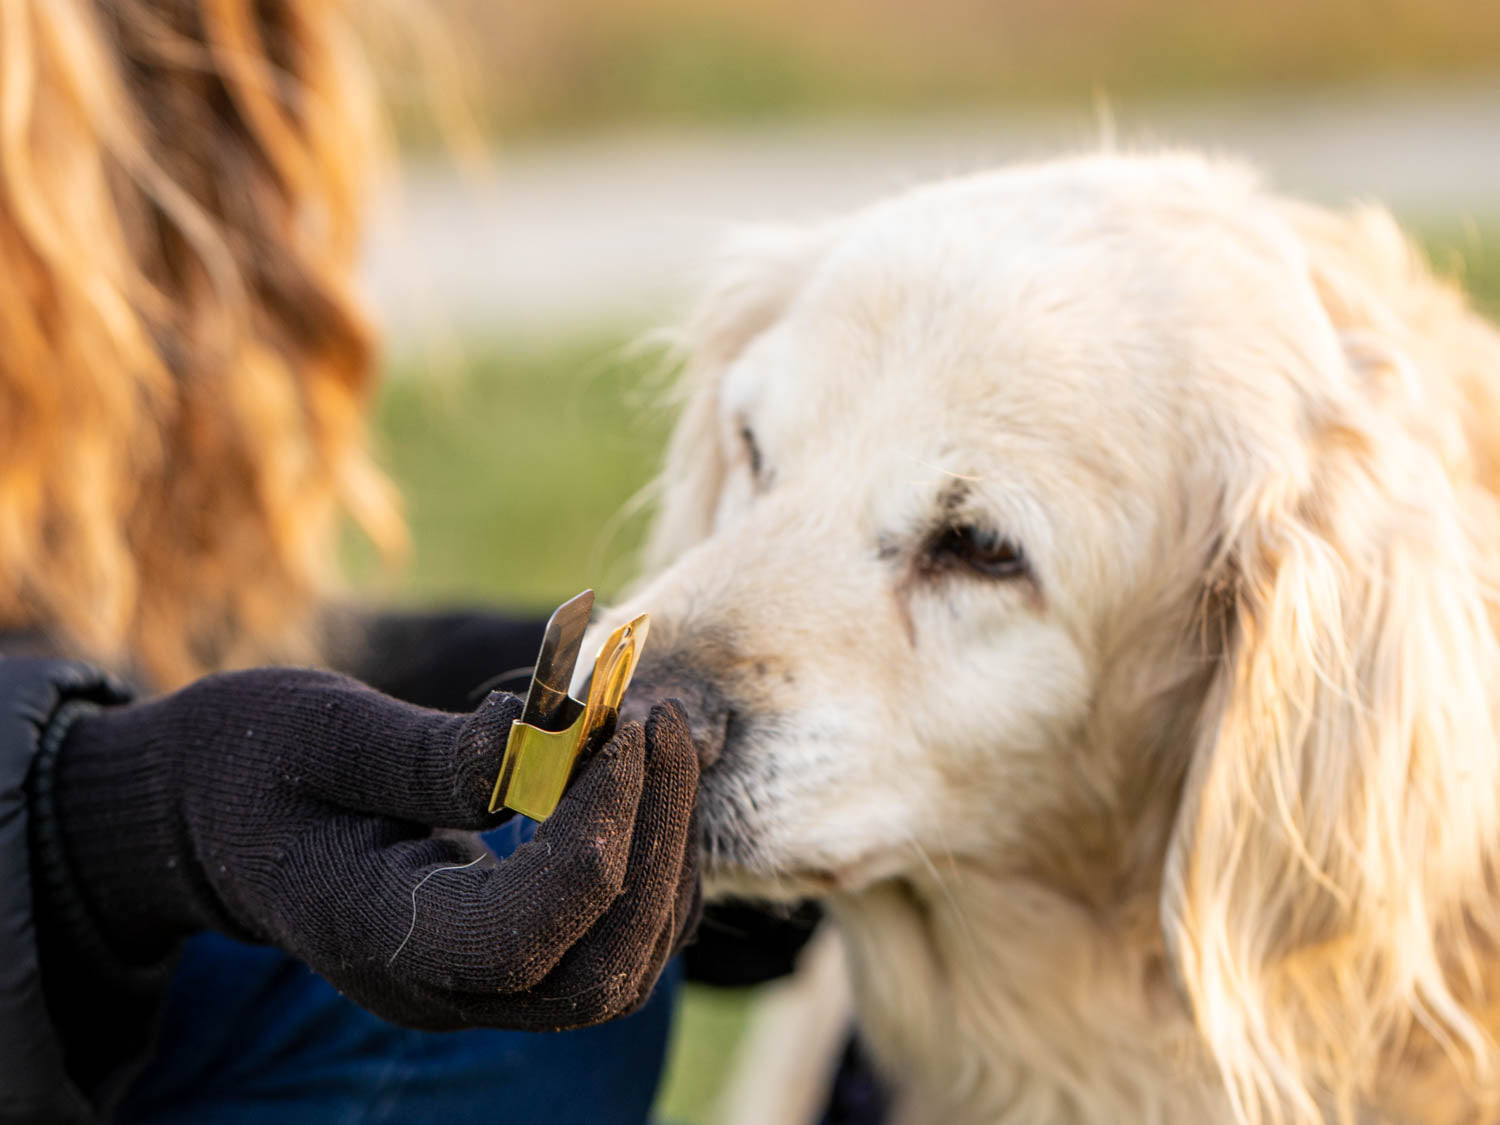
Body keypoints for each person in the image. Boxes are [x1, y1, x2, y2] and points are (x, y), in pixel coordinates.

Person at [0, 2, 718, 1122]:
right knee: (416, 1025)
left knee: (531, 864)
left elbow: (51, 609)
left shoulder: (173, 51)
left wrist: (410, 675)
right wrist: (105, 826)